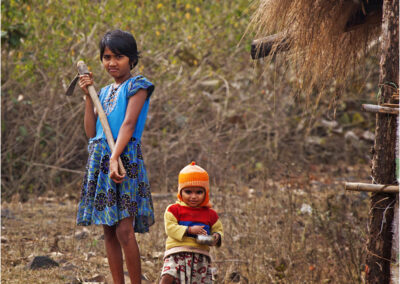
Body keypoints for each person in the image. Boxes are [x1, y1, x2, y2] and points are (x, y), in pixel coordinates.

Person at [76, 29, 155, 284]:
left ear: (131, 59)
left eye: (119, 56)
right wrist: (90, 98)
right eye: (107, 57)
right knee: (108, 230)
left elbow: (129, 124)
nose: (112, 62)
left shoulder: (138, 85)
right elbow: (92, 132)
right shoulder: (105, 92)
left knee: (124, 229)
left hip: (124, 160)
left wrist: (115, 157)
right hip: (100, 159)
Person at [160, 162, 223, 284]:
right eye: (188, 192)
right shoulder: (173, 209)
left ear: (206, 193)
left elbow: (218, 229)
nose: (193, 196)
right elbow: (170, 228)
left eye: (199, 192)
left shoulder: (210, 214)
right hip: (176, 253)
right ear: (180, 191)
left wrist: (216, 237)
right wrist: (189, 230)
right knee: (167, 277)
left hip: (200, 256)